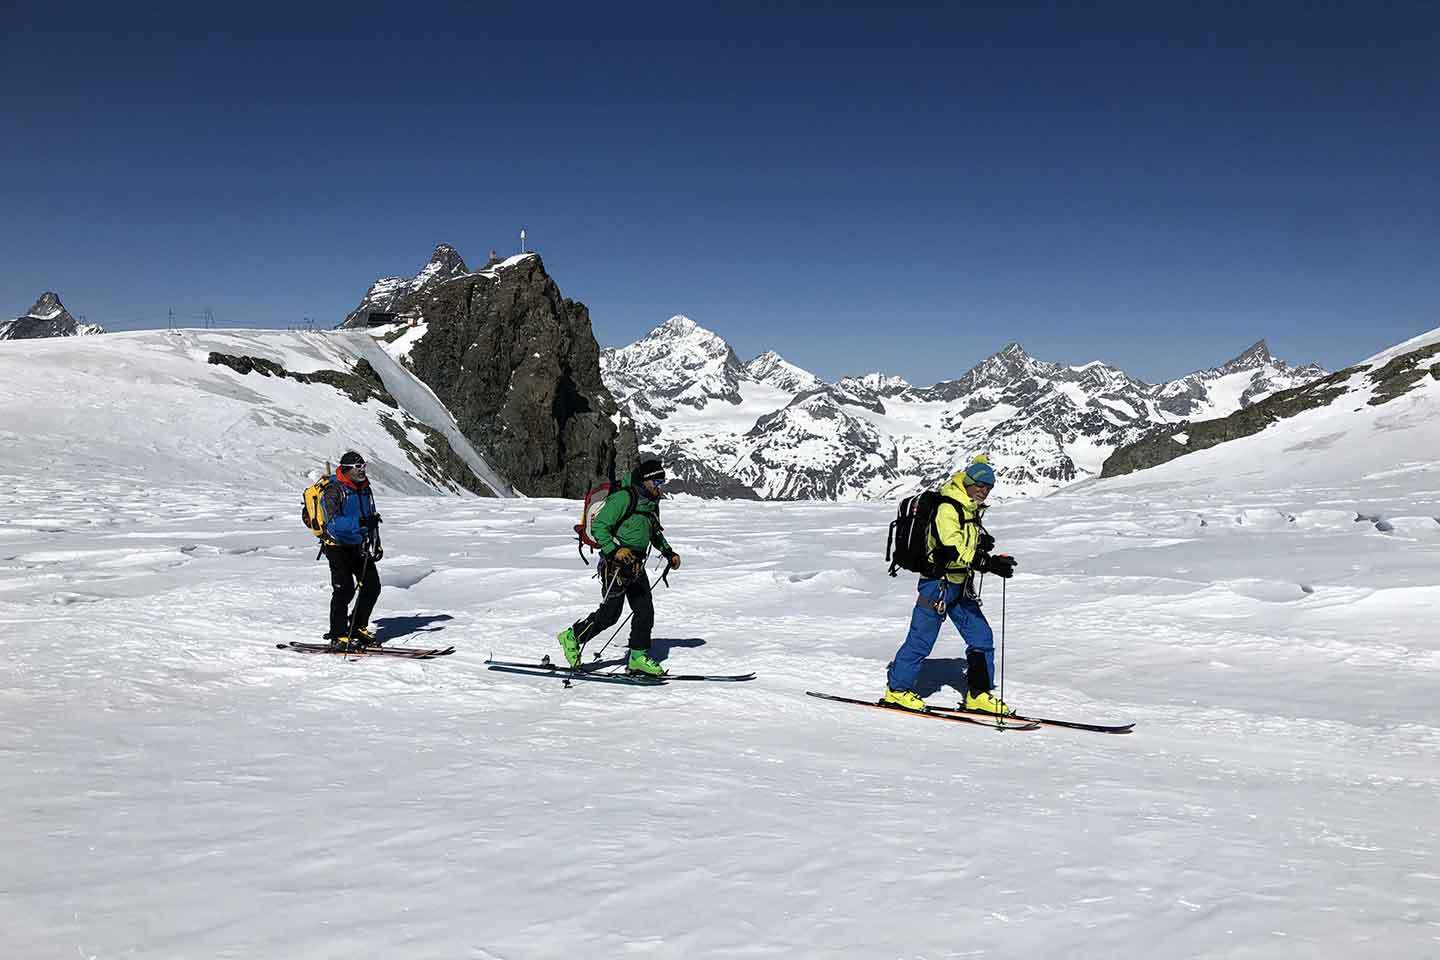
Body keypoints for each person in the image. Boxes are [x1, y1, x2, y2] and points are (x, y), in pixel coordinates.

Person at [883, 455, 1017, 714]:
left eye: (988, 487)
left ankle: (978, 694)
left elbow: (963, 544)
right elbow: (951, 548)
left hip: (959, 585)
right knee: (920, 640)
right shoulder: (949, 508)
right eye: (979, 484)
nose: (984, 490)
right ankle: (897, 691)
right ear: (967, 483)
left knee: (981, 637)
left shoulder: (968, 508)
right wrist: (986, 563)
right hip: (938, 586)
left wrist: (982, 549)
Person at [557, 458, 682, 676]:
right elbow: (600, 526)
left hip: (635, 564)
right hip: (615, 565)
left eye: (663, 481)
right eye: (657, 482)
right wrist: (613, 550)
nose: (660, 486)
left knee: (644, 610)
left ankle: (637, 657)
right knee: (610, 615)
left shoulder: (651, 502)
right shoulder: (624, 497)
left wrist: (668, 552)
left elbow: (653, 531)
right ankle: (572, 636)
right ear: (646, 481)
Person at [321, 451, 383, 650]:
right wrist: (360, 522)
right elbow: (332, 524)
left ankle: (356, 627)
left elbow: (370, 517)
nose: (363, 471)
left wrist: (376, 542)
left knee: (372, 586)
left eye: (364, 466)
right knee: (344, 590)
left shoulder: (364, 489)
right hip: (337, 546)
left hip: (359, 545)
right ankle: (338, 634)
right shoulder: (333, 490)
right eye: (359, 467)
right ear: (347, 469)